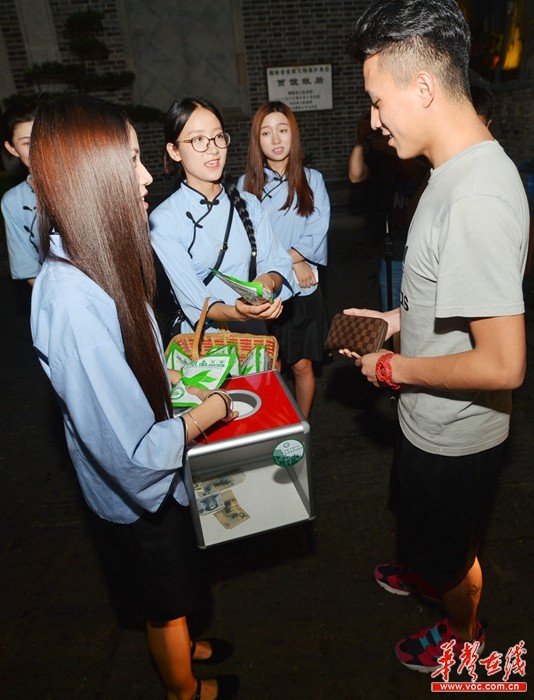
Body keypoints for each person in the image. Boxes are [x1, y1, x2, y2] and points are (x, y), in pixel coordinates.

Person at [30, 95, 239, 700]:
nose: (148, 176)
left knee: (182, 586)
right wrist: (208, 412)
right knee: (163, 602)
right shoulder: (70, 299)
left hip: (160, 475)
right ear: (90, 178)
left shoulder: (101, 257)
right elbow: (132, 454)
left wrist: (173, 382)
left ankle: (191, 647)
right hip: (139, 494)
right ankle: (185, 690)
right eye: (131, 160)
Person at [346, 0, 529, 673]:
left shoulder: (476, 194)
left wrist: (395, 371)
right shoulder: (453, 174)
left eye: (376, 100)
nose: (373, 120)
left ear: (422, 89)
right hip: (428, 422)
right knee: (422, 532)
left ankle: (466, 631)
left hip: (456, 436)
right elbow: (455, 291)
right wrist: (396, 321)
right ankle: (423, 568)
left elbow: (505, 363)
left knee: (454, 557)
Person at [150, 96, 293, 344]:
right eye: (198, 140)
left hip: (253, 337)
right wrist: (237, 311)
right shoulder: (164, 220)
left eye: (218, 137)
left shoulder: (249, 203)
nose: (213, 148)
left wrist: (265, 284)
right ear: (174, 151)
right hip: (205, 344)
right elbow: (195, 300)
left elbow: (277, 260)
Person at [239, 101, 330, 417]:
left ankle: (301, 426)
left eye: (283, 130)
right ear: (257, 140)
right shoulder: (246, 186)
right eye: (266, 132)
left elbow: (316, 231)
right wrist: (293, 261)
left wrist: (296, 259)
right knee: (269, 364)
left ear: (294, 135)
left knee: (303, 365)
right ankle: (272, 422)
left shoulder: (311, 179)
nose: (276, 140)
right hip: (265, 292)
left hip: (303, 291)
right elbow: (248, 240)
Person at [348, 111, 429, 313]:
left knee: (421, 312)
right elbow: (356, 175)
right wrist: (360, 140)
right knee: (392, 312)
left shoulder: (419, 151)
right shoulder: (376, 157)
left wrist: (393, 150)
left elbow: (422, 176)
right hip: (391, 250)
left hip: (420, 249)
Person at [1, 103, 40, 285]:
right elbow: (29, 270)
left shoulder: (87, 180)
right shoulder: (14, 202)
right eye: (27, 143)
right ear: (12, 149)